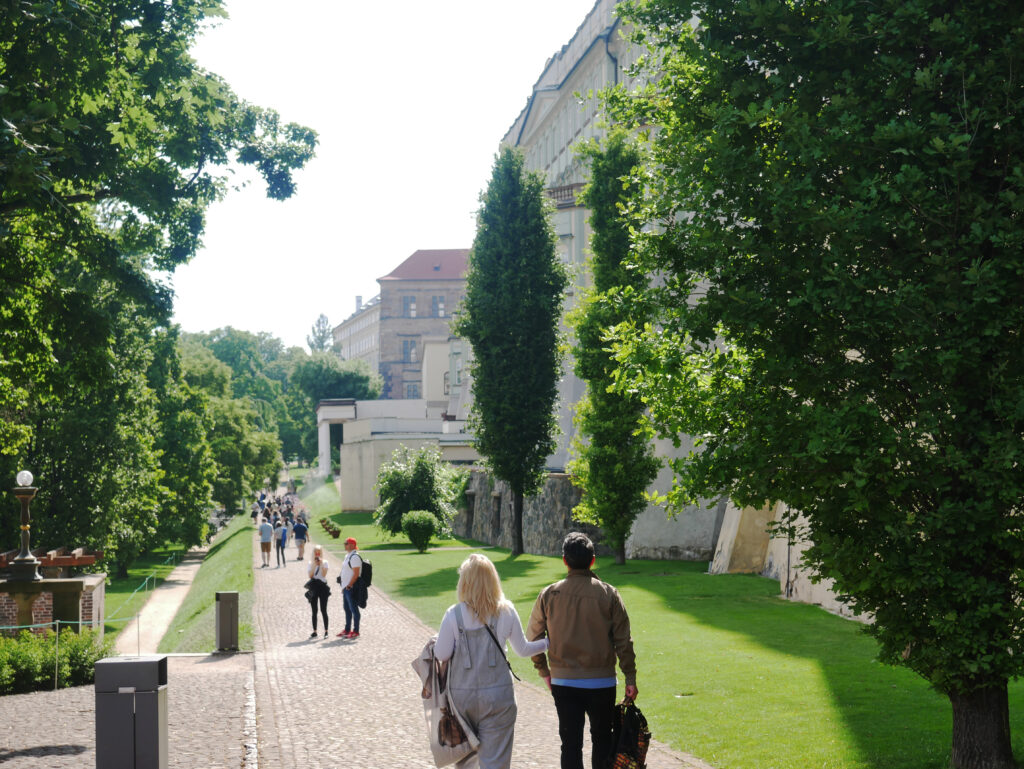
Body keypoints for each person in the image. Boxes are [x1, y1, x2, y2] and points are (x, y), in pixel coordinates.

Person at [526, 532, 637, 769]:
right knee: (603, 740)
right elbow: (624, 641)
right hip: (601, 682)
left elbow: (533, 638)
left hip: (564, 682)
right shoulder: (608, 594)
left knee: (570, 745)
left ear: (565, 560)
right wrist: (630, 676)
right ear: (593, 560)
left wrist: (544, 670)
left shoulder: (549, 594)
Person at [434, 553, 549, 769]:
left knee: (465, 759)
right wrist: (547, 643)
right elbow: (523, 649)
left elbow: (441, 654)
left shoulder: (453, 614)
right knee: (495, 761)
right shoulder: (506, 610)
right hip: (498, 697)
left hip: (462, 698)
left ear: (465, 582)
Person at [337, 537, 363, 639]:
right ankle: (347, 629)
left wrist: (349, 585)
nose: (344, 545)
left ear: (352, 545)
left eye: (346, 543)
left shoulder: (355, 557)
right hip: (346, 587)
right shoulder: (348, 555)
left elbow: (356, 574)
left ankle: (356, 631)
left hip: (350, 587)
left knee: (353, 609)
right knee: (347, 609)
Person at [307, 544, 330, 638]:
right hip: (314, 587)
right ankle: (315, 631)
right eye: (316, 551)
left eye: (319, 551)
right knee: (314, 610)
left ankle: (326, 631)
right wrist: (314, 565)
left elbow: (324, 575)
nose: (317, 553)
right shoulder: (310, 563)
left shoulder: (325, 562)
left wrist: (320, 565)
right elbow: (310, 575)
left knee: (323, 610)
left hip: (323, 587)